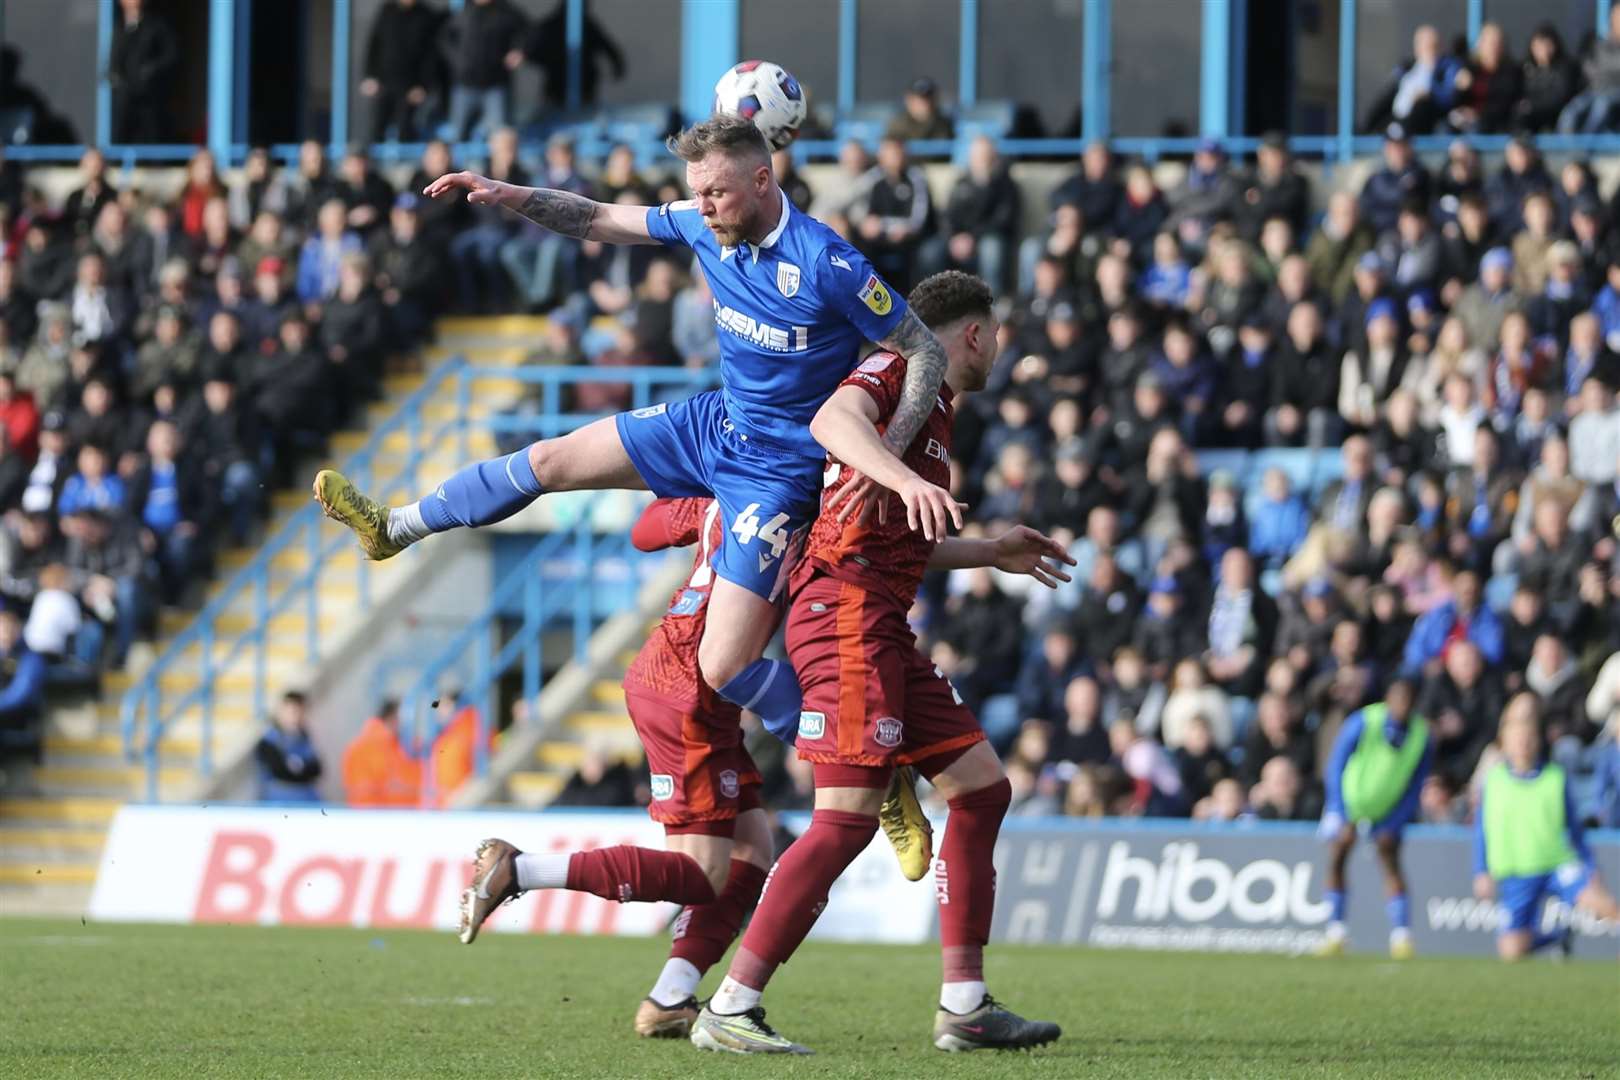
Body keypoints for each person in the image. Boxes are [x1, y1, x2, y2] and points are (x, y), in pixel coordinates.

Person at [315, 115, 950, 758]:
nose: (700, 209)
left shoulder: (828, 262)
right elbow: (596, 219)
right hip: (714, 425)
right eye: (693, 193)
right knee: (549, 459)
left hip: (780, 472)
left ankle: (870, 766)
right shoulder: (705, 224)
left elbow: (924, 350)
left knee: (724, 666)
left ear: (762, 180)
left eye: (715, 195)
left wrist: (885, 457)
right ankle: (394, 528)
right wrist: (510, 194)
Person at [689, 272, 1067, 1054]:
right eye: (994, 333)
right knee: (847, 819)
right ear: (973, 334)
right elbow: (835, 416)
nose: (997, 347)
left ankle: (964, 1005)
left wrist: (988, 552)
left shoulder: (937, 413)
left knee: (982, 788)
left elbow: (896, 535)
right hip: (846, 619)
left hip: (880, 621)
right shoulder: (904, 366)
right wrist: (898, 474)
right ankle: (730, 1003)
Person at [459, 496, 775, 1039]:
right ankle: (520, 871)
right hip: (690, 691)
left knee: (753, 844)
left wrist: (701, 507)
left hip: (690, 681)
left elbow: (644, 532)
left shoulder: (730, 487)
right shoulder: (799, 494)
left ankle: (672, 997)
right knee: (703, 873)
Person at [1473, 694, 1620, 959]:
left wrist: (1590, 865)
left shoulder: (1554, 777)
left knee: (1602, 904)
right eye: (1517, 741)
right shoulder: (1493, 781)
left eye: (1528, 740)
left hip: (1557, 863)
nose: (1523, 746)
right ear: (1505, 744)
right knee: (1511, 951)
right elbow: (1481, 830)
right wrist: (1481, 870)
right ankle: (1558, 937)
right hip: (1518, 870)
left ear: (1537, 742)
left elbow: (1575, 829)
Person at [1315, 677, 1432, 959]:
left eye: (1407, 701)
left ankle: (1402, 936)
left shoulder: (1421, 735)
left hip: (1387, 811)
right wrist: (1337, 810)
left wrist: (1395, 821)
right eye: (1396, 699)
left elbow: (1416, 784)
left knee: (1390, 862)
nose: (1401, 706)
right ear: (1388, 700)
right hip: (1350, 805)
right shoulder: (1364, 721)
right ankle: (1336, 932)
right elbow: (1336, 764)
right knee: (1337, 857)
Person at [357, 0, 441, 143]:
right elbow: (374, 44)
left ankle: (405, 165)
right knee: (376, 128)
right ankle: (375, 165)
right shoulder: (387, 11)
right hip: (383, 83)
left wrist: (423, 86)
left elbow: (430, 56)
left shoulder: (425, 15)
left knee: (406, 129)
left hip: (410, 86)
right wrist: (370, 76)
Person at [107, 0, 179, 144]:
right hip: (125, 98)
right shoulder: (118, 27)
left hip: (149, 99)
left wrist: (151, 70)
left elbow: (172, 54)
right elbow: (114, 59)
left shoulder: (156, 25)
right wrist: (115, 78)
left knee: (152, 138)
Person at [341, 700, 421, 807]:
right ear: (393, 718)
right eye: (406, 719)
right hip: (384, 816)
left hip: (378, 814)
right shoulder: (374, 747)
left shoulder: (358, 746)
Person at [254, 691, 323, 802]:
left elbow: (317, 769)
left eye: (300, 713)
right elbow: (280, 771)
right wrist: (302, 768)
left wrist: (298, 768)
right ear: (281, 711)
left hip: (307, 802)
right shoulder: (268, 741)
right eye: (292, 712)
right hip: (279, 805)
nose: (296, 718)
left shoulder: (304, 737)